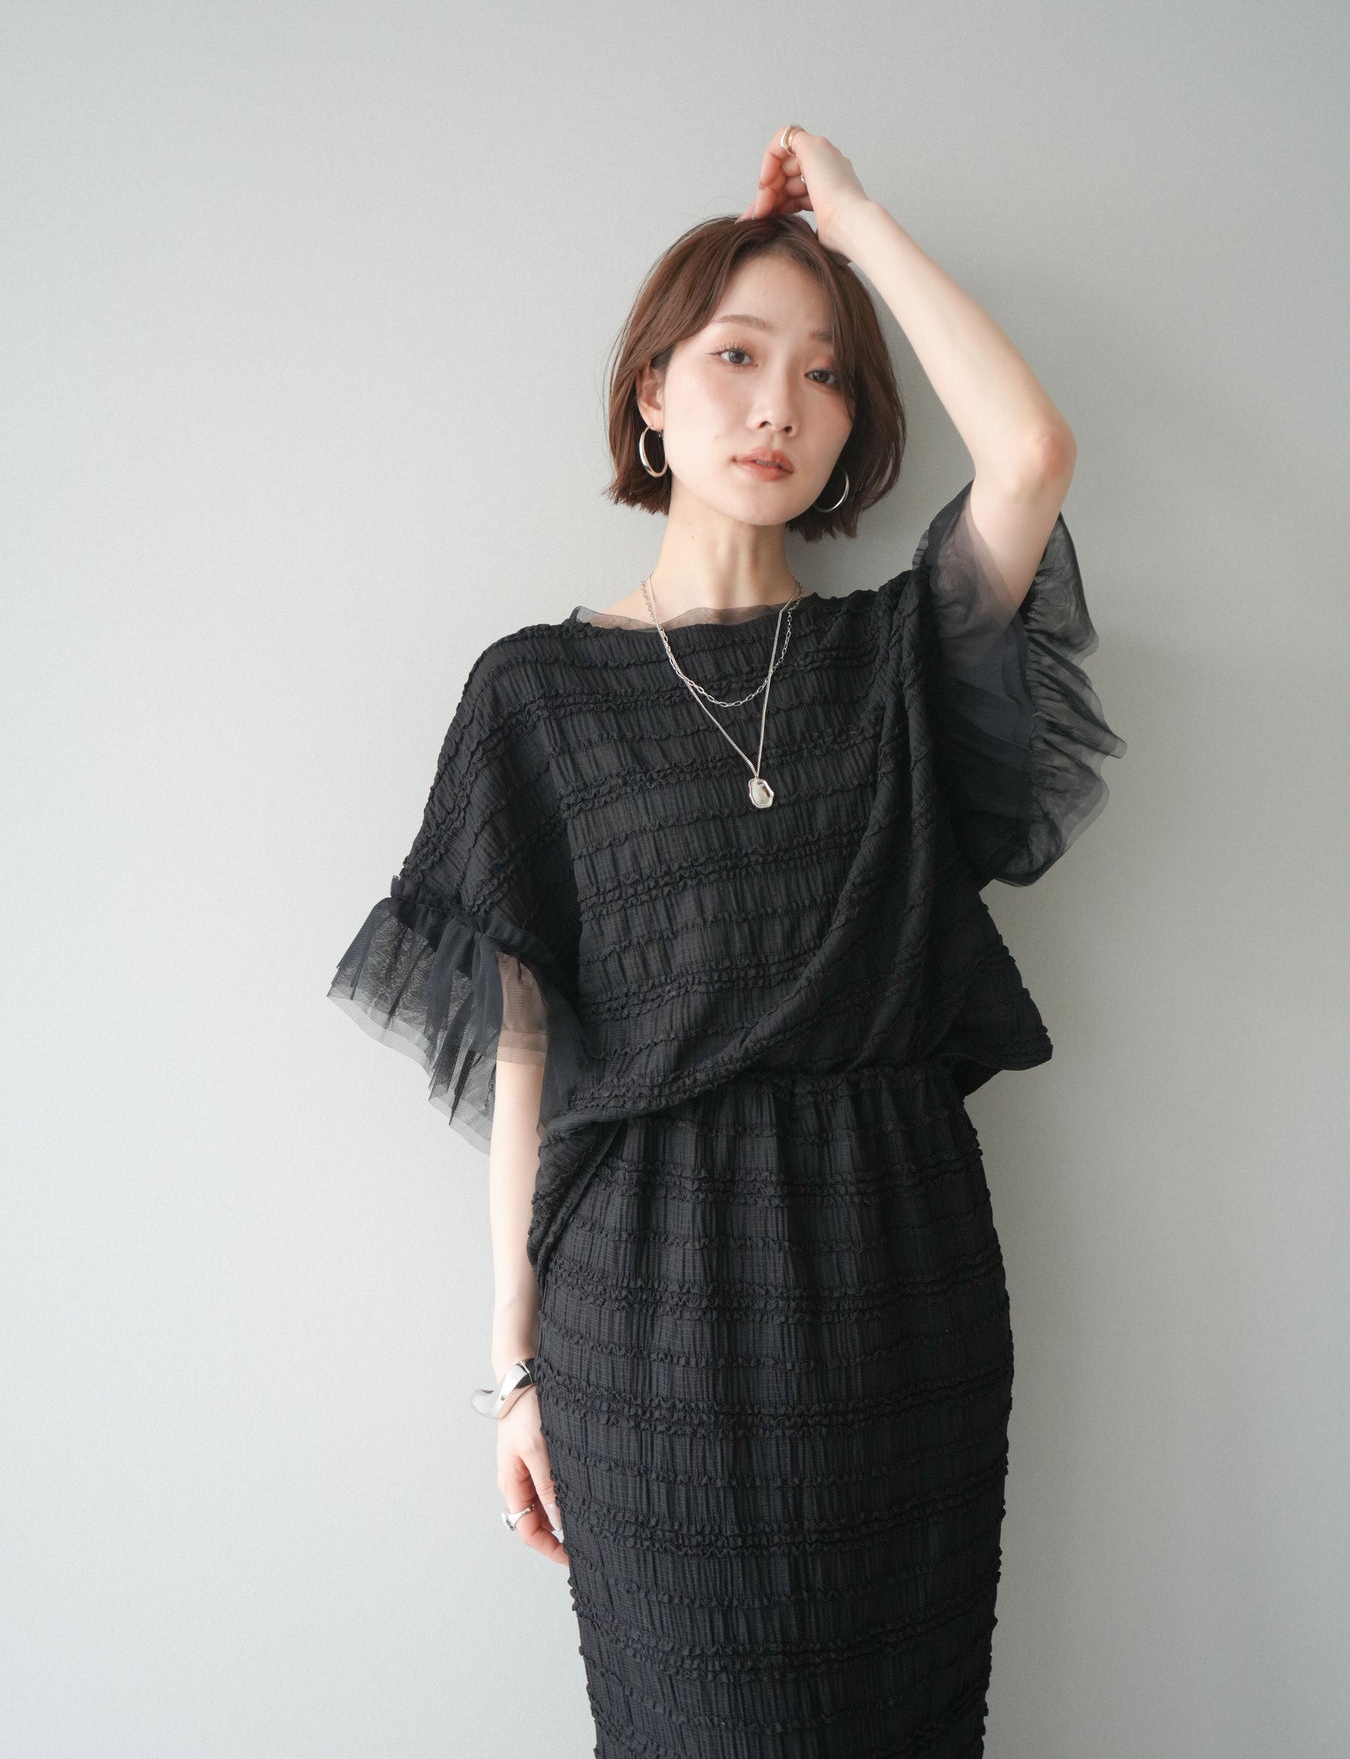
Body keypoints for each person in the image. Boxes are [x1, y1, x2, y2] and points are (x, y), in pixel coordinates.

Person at [327, 125, 1126, 1756]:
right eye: (735, 356)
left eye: (825, 377)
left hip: (897, 1269)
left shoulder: (899, 657)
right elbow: (523, 1050)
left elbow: (1030, 449)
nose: (777, 407)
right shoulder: (534, 694)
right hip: (648, 1296)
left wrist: (860, 222)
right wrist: (512, 1371)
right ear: (650, 392)